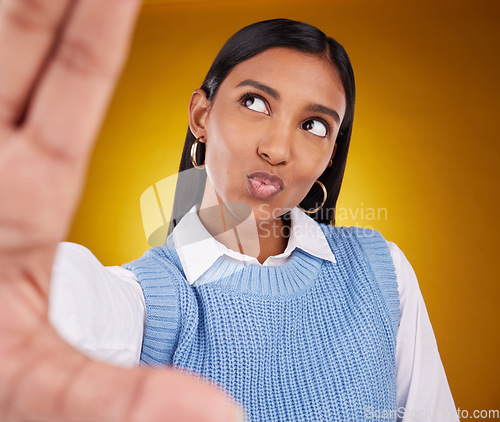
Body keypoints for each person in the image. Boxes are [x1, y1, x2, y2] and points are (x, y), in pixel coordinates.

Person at [0, 2, 456, 422]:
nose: (277, 149)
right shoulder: (147, 301)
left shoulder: (381, 272)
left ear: (331, 154)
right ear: (201, 115)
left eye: (313, 125)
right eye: (255, 102)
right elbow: (62, 302)